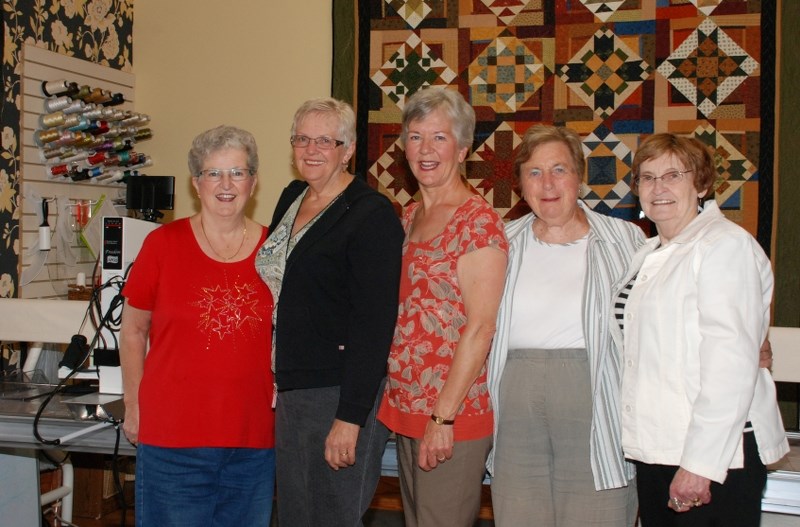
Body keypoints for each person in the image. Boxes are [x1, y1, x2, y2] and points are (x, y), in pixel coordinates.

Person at [613, 133, 789, 526]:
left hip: (718, 455)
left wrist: (701, 464)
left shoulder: (724, 246)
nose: (658, 188)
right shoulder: (649, 253)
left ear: (702, 183)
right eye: (647, 177)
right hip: (659, 446)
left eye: (673, 175)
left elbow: (731, 365)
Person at [255, 97, 403, 526]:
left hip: (340, 391)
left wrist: (350, 417)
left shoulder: (371, 214)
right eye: (302, 138)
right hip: (292, 386)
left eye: (326, 140)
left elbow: (375, 324)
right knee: (296, 515)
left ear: (349, 148)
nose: (311, 149)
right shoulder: (292, 197)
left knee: (333, 517)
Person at [486, 125, 643, 526]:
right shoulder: (500, 242)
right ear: (520, 184)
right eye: (534, 172)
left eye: (560, 169)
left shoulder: (627, 241)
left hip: (597, 403)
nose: (548, 183)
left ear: (580, 176)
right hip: (513, 406)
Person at [120, 125, 275, 526]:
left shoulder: (276, 251)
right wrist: (134, 406)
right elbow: (133, 332)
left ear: (253, 181)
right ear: (196, 183)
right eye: (213, 173)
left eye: (238, 172)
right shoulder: (162, 245)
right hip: (173, 442)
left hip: (252, 443)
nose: (226, 184)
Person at [377, 87, 509, 527]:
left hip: (450, 413)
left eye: (439, 137)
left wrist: (442, 416)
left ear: (463, 148)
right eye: (415, 137)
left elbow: (481, 328)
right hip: (408, 408)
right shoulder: (409, 215)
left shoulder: (476, 221)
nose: (425, 149)